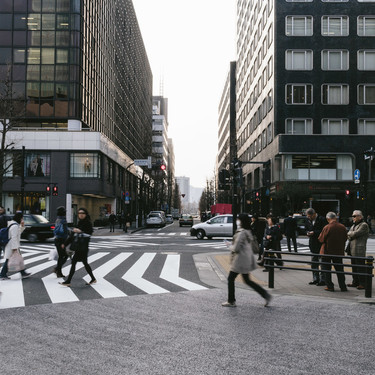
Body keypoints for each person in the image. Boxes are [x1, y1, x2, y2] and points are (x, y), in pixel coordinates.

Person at [222, 213, 272, 307]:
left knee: (231, 278)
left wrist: (229, 246)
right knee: (247, 280)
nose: (237, 221)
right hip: (246, 259)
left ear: (241, 221)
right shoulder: (248, 231)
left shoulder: (241, 233)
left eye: (238, 219)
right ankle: (265, 295)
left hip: (239, 260)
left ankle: (231, 301)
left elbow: (236, 248)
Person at [59, 208, 96, 287]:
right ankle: (93, 278)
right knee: (84, 263)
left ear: (86, 214)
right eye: (79, 213)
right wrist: (65, 244)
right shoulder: (79, 223)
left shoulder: (88, 223)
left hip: (83, 247)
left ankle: (68, 281)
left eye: (82, 213)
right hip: (79, 247)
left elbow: (89, 233)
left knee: (75, 263)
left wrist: (80, 231)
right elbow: (72, 236)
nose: (81, 214)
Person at [318, 212, 348, 292]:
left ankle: (330, 286)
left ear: (328, 219)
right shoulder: (342, 227)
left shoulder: (327, 227)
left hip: (327, 252)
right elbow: (345, 238)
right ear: (335, 218)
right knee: (340, 270)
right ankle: (343, 286)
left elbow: (321, 239)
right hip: (338, 252)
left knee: (326, 270)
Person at [0, 212, 31, 280]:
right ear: (19, 218)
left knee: (16, 259)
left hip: (13, 245)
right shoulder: (14, 226)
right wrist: (14, 248)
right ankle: (3, 274)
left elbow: (18, 233)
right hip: (12, 245)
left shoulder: (14, 225)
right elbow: (14, 237)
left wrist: (22, 226)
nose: (22, 219)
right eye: (22, 218)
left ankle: (23, 273)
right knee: (11, 259)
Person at [347, 210, 369, 290]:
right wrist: (351, 234)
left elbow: (355, 234)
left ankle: (362, 283)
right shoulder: (354, 225)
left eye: (354, 216)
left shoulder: (364, 225)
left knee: (360, 267)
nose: (353, 217)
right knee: (354, 267)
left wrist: (351, 234)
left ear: (360, 216)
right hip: (352, 249)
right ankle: (355, 282)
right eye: (353, 216)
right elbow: (349, 234)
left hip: (359, 249)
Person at [306, 208, 327, 286]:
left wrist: (314, 232)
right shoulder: (308, 220)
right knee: (314, 262)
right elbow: (306, 228)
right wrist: (307, 232)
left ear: (314, 214)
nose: (308, 218)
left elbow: (324, 231)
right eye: (308, 216)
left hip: (320, 243)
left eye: (309, 216)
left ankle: (323, 280)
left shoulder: (321, 219)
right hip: (312, 243)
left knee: (322, 263)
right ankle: (315, 278)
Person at [53, 206, 69, 278]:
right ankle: (58, 270)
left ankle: (58, 270)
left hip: (57, 240)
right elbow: (64, 231)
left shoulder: (58, 219)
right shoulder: (63, 220)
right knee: (64, 256)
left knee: (62, 256)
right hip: (61, 240)